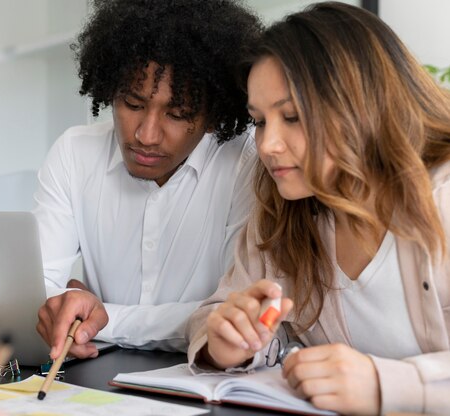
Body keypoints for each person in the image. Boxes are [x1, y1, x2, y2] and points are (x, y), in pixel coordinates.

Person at [186, 2, 450, 415]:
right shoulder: (284, 209)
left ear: (362, 104)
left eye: (291, 116)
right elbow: (217, 311)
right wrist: (224, 341)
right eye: (259, 121)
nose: (268, 145)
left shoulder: (443, 199)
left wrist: (386, 385)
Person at [35, 0, 262, 360]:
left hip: (205, 381)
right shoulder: (74, 153)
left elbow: (232, 314)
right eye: (132, 104)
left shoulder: (247, 162)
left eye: (177, 113)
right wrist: (58, 306)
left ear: (213, 115)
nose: (146, 135)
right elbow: (38, 296)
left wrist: (99, 317)